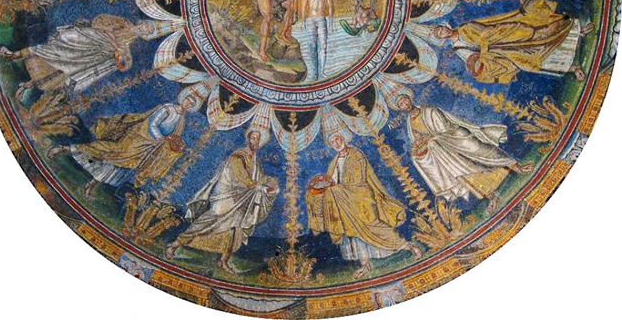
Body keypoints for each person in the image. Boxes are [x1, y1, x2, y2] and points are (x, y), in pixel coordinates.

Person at [306, 132, 421, 280]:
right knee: (353, 234)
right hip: (344, 202)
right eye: (332, 141)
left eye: (337, 139)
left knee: (373, 225)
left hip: (361, 197)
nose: (336, 143)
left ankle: (409, 246)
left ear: (344, 138)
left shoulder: (356, 154)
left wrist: (335, 190)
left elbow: (358, 180)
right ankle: (365, 265)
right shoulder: (333, 162)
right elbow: (330, 182)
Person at [165, 130, 278, 274]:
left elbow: (258, 180)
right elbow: (242, 178)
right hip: (227, 194)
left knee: (235, 228)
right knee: (210, 219)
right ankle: (174, 244)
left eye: (258, 139)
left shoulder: (256, 162)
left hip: (242, 198)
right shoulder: (238, 156)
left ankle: (223, 261)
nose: (255, 142)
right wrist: (260, 185)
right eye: (253, 138)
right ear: (248, 139)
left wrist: (267, 187)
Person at [396, 94, 531, 215]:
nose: (404, 104)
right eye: (401, 104)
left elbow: (444, 128)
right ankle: (491, 197)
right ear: (400, 108)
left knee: (483, 150)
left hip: (457, 137)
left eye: (404, 100)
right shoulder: (410, 124)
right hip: (444, 150)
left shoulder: (429, 110)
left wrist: (429, 139)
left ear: (409, 98)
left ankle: (515, 166)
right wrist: (418, 146)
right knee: (463, 172)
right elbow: (419, 140)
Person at [47, 97, 193, 199]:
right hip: (139, 137)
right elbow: (151, 123)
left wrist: (171, 144)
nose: (188, 104)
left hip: (149, 147)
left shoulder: (181, 120)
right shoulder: (168, 108)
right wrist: (161, 138)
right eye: (188, 100)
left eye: (191, 104)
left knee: (120, 166)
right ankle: (64, 148)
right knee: (110, 151)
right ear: (183, 98)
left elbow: (173, 136)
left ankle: (91, 184)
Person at [433, 0, 592, 83]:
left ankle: (577, 30)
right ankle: (572, 67)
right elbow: (474, 61)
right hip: (501, 53)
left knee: (540, 33)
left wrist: (487, 43)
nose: (443, 32)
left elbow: (487, 31)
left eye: (441, 28)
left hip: (506, 37)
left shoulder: (464, 28)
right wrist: (483, 64)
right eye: (440, 34)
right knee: (531, 63)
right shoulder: (457, 48)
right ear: (442, 39)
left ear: (445, 26)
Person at [0, 16, 150, 101]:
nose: (142, 30)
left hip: (94, 55)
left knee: (66, 70)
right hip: (89, 39)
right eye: (144, 27)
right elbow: (100, 22)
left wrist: (120, 60)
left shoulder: (128, 44)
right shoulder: (123, 22)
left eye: (145, 32)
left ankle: (28, 85)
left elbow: (126, 64)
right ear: (141, 23)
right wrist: (115, 44)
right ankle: (13, 55)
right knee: (56, 49)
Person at [301, 0, 334, 81]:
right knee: (312, 47)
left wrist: (330, 23)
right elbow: (303, 5)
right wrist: (303, 21)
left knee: (323, 46)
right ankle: (314, 73)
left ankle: (322, 72)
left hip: (321, 19)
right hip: (310, 20)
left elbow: (330, 5)